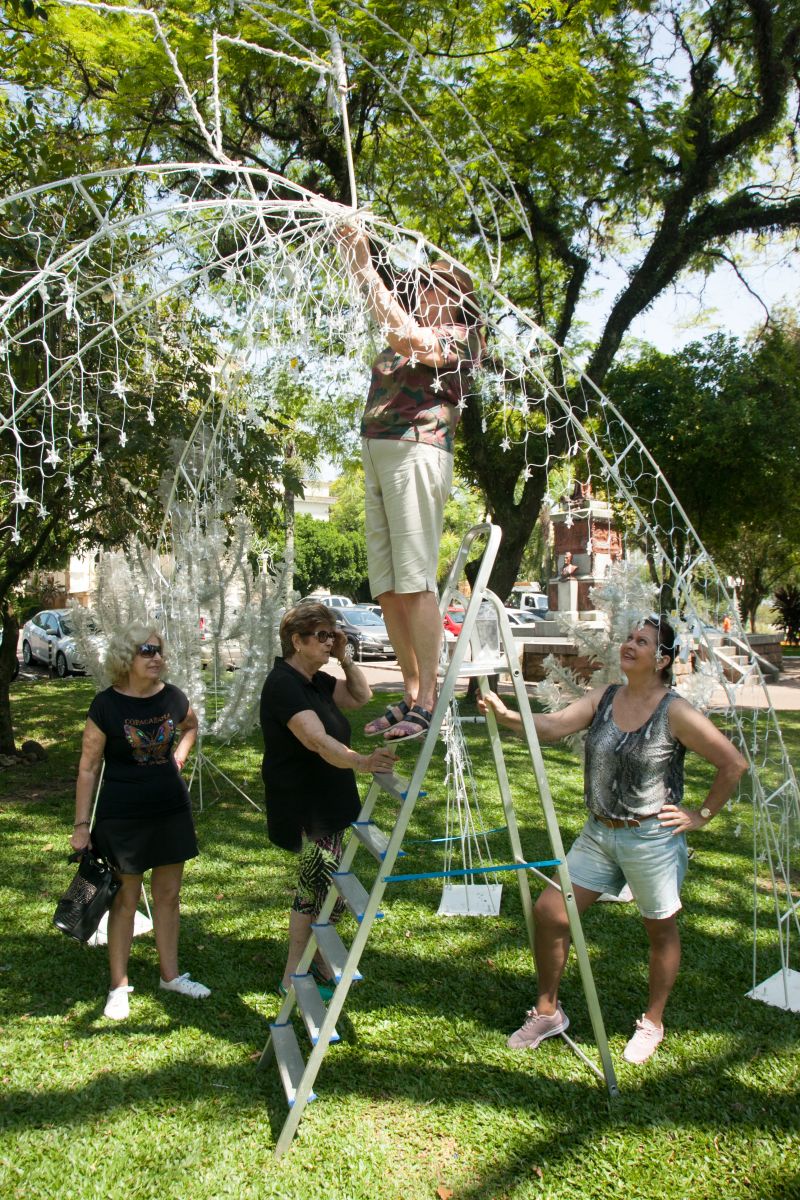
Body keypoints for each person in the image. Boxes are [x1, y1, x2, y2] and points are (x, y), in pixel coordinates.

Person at [478, 614, 747, 1063]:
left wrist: (700, 814)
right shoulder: (604, 697)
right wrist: (508, 716)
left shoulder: (674, 711)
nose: (630, 645)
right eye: (629, 637)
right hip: (600, 832)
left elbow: (732, 763)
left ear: (662, 659)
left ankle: (652, 1022)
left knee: (659, 929)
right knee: (550, 913)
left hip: (651, 840)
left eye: (642, 641)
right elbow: (554, 726)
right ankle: (548, 1011)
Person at [337, 224, 484, 741]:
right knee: (388, 589)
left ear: (458, 297)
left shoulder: (460, 338)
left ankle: (430, 698)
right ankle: (409, 690)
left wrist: (362, 260)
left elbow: (403, 334)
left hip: (417, 452)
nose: (421, 289)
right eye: (421, 282)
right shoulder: (413, 324)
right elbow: (386, 312)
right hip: (379, 455)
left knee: (416, 581)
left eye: (433, 284)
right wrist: (352, 245)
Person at [70, 624, 209, 1021]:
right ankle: (118, 986)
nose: (156, 657)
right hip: (122, 815)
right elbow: (88, 767)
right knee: (125, 900)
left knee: (168, 896)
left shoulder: (172, 698)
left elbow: (191, 725)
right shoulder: (106, 706)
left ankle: (170, 976)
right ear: (125, 657)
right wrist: (82, 825)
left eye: (159, 650)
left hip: (170, 811)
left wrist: (179, 755)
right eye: (147, 651)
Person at [260, 602, 396, 995]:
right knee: (315, 886)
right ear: (296, 641)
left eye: (332, 634)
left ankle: (313, 961)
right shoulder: (284, 684)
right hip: (306, 803)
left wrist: (345, 657)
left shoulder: (316, 680)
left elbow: (361, 696)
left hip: (331, 798)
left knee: (329, 889)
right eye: (321, 636)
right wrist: (364, 762)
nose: (329, 641)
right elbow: (317, 741)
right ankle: (292, 974)